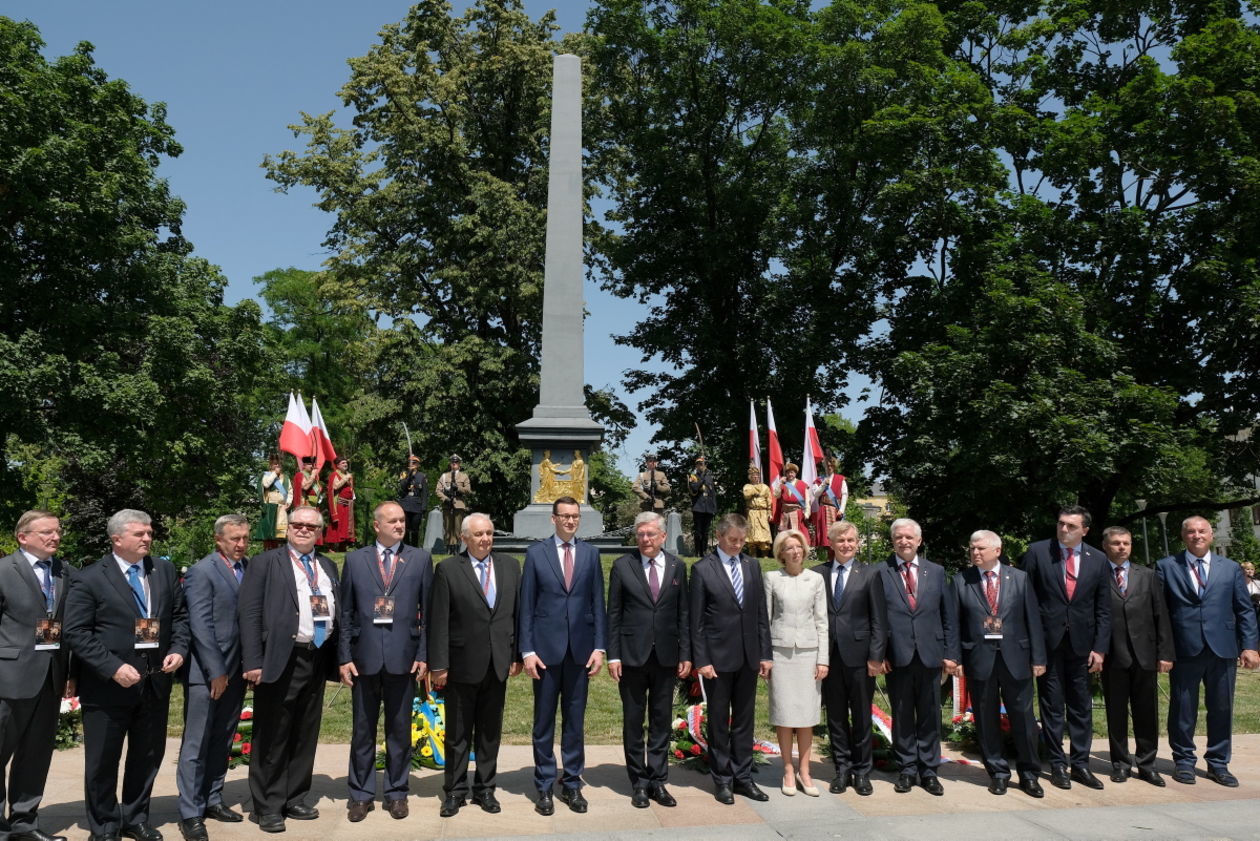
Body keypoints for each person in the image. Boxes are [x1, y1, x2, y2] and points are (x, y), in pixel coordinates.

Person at [63, 509, 190, 841]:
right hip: (108, 688)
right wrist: (112, 667)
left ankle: (135, 818)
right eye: (139, 534)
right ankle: (105, 825)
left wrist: (177, 648)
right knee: (103, 761)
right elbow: (76, 632)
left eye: (149, 532)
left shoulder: (163, 570)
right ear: (116, 539)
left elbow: (179, 617)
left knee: (147, 757)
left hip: (154, 682)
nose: (147, 538)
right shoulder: (89, 577)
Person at [238, 505, 339, 833]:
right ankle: (267, 805)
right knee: (272, 733)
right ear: (288, 528)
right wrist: (253, 661)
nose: (304, 529)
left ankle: (295, 796)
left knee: (304, 731)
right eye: (297, 524)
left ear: (320, 531)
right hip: (280, 658)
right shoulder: (265, 563)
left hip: (317, 657)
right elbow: (250, 613)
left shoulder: (326, 566)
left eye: (311, 526)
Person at [337, 501, 432, 821]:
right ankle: (360, 795)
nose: (399, 525)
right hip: (364, 661)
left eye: (402, 521)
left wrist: (423, 656)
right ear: (376, 525)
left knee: (400, 730)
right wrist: (345, 657)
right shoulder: (355, 559)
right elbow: (345, 613)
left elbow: (428, 614)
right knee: (362, 731)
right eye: (392, 521)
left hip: (403, 660)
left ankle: (396, 793)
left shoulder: (419, 559)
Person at [428, 513, 522, 817]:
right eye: (478, 534)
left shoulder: (510, 566)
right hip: (460, 665)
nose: (485, 539)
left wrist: (516, 655)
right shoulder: (448, 570)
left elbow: (517, 616)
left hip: (498, 664)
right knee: (457, 734)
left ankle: (485, 790)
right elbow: (439, 620)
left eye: (489, 534)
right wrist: (438, 665)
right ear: (465, 537)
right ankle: (454, 792)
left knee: (489, 732)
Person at [1157, 515, 1260, 786]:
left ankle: (1218, 763)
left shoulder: (1230, 568)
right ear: (1183, 536)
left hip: (1223, 649)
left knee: (1221, 707)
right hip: (1184, 649)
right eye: (1191, 532)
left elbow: (1244, 609)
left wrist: (1249, 646)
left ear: (1211, 535)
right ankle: (1183, 761)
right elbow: (1160, 614)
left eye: (1202, 531)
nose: (1197, 536)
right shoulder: (1166, 567)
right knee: (1183, 708)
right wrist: (1163, 650)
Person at [519, 497, 606, 815]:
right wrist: (527, 650)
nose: (570, 521)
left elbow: (598, 602)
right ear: (553, 519)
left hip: (580, 653)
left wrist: (599, 647)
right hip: (544, 652)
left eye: (575, 516)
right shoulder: (535, 554)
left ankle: (571, 784)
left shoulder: (591, 554)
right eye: (565, 516)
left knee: (574, 722)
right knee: (543, 722)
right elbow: (526, 605)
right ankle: (543, 785)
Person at [1020, 505, 1111, 790]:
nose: (1064, 529)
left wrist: (1100, 647)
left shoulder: (1098, 558)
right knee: (1052, 705)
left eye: (1071, 526)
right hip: (1048, 644)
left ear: (1085, 529)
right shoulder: (1037, 552)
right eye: (1061, 524)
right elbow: (1026, 602)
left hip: (1083, 645)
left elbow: (1103, 608)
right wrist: (1033, 647)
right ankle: (1058, 764)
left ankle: (1081, 764)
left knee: (1082, 706)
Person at [607, 512, 691, 808]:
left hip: (667, 657)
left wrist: (686, 654)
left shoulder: (678, 567)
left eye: (651, 534)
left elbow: (684, 615)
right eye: (641, 534)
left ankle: (658, 781)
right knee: (633, 720)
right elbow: (613, 614)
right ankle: (638, 783)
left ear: (663, 536)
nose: (645, 539)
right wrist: (613, 655)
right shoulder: (622, 566)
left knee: (660, 721)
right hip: (631, 656)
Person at [175, 515, 251, 841]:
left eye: (246, 538)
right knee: (197, 743)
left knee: (223, 739)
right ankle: (190, 812)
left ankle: (213, 798)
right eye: (235, 538)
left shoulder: (249, 568)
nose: (241, 544)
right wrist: (215, 671)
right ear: (218, 539)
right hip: (207, 674)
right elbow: (200, 625)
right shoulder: (201, 571)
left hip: (238, 671)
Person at [954, 530, 1046, 798]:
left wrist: (1038, 657)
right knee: (985, 720)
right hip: (979, 659)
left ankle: (1029, 774)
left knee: (1024, 720)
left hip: (1016, 658)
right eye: (972, 548)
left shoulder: (1019, 578)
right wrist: (956, 658)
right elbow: (954, 624)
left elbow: (1033, 619)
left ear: (997, 550)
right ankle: (998, 773)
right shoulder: (961, 581)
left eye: (980, 548)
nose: (975, 553)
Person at [0, 511, 74, 841]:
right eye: (46, 532)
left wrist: (71, 672)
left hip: (50, 676)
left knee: (36, 755)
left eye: (57, 531)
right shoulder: (3, 571)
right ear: (23, 537)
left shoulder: (65, 572)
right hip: (8, 676)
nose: (55, 537)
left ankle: (24, 823)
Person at [689, 513, 772, 804]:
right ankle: (722, 779)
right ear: (720, 536)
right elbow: (696, 621)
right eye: (733, 540)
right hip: (717, 660)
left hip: (749, 658)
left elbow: (761, 614)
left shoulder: (752, 566)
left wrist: (765, 654)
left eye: (741, 540)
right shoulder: (702, 569)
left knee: (745, 721)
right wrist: (702, 659)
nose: (738, 545)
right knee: (719, 722)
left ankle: (743, 777)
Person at [878, 518, 958, 796]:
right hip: (897, 657)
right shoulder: (880, 572)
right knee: (901, 715)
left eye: (909, 537)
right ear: (892, 541)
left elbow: (948, 617)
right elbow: (876, 618)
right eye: (899, 537)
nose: (904, 541)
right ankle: (907, 770)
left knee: (929, 716)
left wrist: (950, 654)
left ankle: (929, 771)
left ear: (919, 541)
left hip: (931, 656)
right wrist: (879, 655)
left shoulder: (936, 572)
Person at [813, 521, 886, 796]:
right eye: (841, 540)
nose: (846, 545)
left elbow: (879, 619)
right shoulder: (817, 574)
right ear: (831, 543)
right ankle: (842, 769)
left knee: (862, 715)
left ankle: (862, 772)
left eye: (851, 540)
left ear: (858, 544)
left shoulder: (870, 574)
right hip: (828, 657)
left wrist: (876, 656)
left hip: (860, 656)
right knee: (835, 716)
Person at [1099, 526, 1173, 786]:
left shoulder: (1148, 575)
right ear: (1106, 546)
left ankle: (1147, 764)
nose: (1122, 547)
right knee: (1116, 713)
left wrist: (1165, 653)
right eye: (1117, 543)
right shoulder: (1097, 575)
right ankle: (1120, 763)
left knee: (1146, 712)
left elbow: (1160, 615)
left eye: (1127, 543)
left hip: (1145, 655)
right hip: (1113, 655)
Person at [764, 529, 828, 797]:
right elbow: (764, 622)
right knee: (784, 714)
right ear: (781, 553)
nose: (795, 551)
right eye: (789, 547)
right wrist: (765, 657)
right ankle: (788, 769)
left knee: (806, 716)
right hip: (780, 654)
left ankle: (805, 770)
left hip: (808, 654)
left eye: (798, 546)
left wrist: (823, 659)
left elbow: (822, 621)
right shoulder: (771, 578)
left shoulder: (816, 579)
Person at [810, 458, 849, 559]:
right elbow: (816, 494)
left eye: (831, 465)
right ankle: (830, 558)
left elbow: (844, 495)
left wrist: (842, 509)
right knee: (826, 536)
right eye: (827, 466)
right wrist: (823, 484)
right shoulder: (819, 480)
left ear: (834, 466)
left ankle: (837, 557)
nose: (829, 467)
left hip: (835, 510)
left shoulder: (841, 479)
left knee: (837, 534)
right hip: (823, 509)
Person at [253, 454, 291, 551]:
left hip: (281, 507)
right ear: (270, 465)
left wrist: (289, 502)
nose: (277, 466)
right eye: (274, 464)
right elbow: (266, 484)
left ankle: (278, 550)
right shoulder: (267, 475)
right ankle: (267, 550)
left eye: (278, 464)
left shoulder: (285, 477)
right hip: (270, 506)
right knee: (269, 530)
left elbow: (290, 491)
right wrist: (274, 474)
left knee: (280, 532)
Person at [436, 455, 472, 549]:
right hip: (447, 504)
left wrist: (458, 488)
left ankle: (457, 546)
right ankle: (448, 546)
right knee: (447, 527)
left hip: (459, 504)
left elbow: (468, 490)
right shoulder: (444, 476)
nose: (454, 464)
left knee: (458, 528)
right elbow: (438, 490)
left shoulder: (464, 476)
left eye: (456, 462)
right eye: (452, 462)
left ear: (459, 464)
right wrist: (445, 499)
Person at [772, 464, 811, 546]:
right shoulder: (783, 485)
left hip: (797, 514)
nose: (790, 474)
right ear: (786, 474)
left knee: (796, 534)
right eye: (788, 473)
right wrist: (780, 483)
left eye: (792, 472)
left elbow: (807, 500)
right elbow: (776, 495)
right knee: (784, 535)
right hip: (785, 514)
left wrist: (807, 513)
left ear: (795, 473)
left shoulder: (802, 484)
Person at [396, 454, 429, 547]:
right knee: (404, 528)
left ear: (418, 465)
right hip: (405, 505)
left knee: (415, 529)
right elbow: (403, 487)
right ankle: (404, 547)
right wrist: (409, 475)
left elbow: (425, 493)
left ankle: (414, 548)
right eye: (411, 462)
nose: (412, 464)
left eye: (414, 463)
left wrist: (424, 506)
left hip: (416, 506)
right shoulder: (404, 474)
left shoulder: (422, 476)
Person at [324, 458, 355, 550]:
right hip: (338, 503)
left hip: (347, 504)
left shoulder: (348, 475)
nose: (346, 464)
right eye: (343, 463)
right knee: (336, 524)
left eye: (346, 462)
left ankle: (343, 546)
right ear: (337, 465)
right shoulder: (335, 474)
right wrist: (346, 478)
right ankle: (331, 548)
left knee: (346, 525)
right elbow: (335, 486)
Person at [688, 456, 717, 556]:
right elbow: (694, 488)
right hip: (698, 507)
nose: (701, 466)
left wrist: (714, 508)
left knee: (706, 532)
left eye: (703, 464)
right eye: (699, 464)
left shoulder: (709, 477)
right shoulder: (693, 476)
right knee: (698, 531)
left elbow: (712, 493)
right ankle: (697, 551)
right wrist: (702, 479)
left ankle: (703, 551)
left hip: (708, 508)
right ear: (696, 465)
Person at [742, 465, 773, 557]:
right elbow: (746, 494)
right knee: (752, 533)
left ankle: (765, 556)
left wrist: (769, 513)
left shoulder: (765, 487)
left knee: (764, 533)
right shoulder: (747, 486)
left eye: (756, 475)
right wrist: (755, 491)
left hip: (762, 513)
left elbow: (769, 501)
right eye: (753, 475)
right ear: (750, 477)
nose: (755, 477)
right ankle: (753, 555)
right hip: (752, 512)